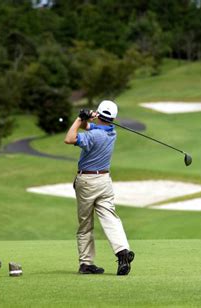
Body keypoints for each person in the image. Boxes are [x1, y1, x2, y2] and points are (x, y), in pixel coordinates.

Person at [64, 100, 134, 275]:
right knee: (110, 217)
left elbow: (69, 138)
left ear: (99, 113)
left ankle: (86, 263)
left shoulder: (94, 136)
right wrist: (88, 119)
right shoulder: (111, 132)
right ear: (113, 118)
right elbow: (91, 127)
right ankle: (122, 251)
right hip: (104, 181)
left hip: (87, 182)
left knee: (85, 224)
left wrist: (79, 118)